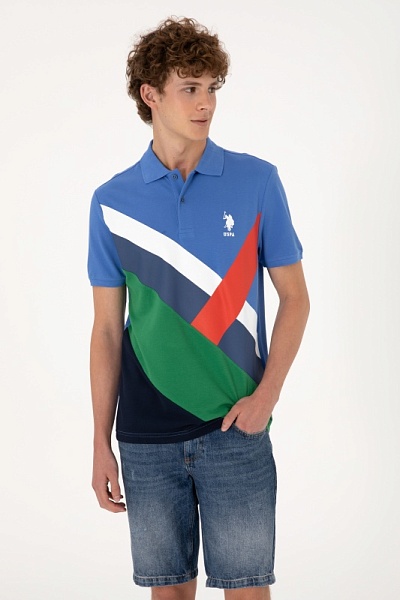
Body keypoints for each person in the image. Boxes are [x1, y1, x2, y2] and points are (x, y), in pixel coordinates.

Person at [88, 16, 309, 600]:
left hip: (236, 429)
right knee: (169, 595)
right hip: (145, 439)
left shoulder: (257, 181)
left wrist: (266, 399)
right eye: (190, 88)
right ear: (151, 95)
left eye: (212, 88)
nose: (206, 102)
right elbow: (106, 331)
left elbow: (296, 298)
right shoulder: (111, 202)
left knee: (248, 593)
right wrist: (100, 441)